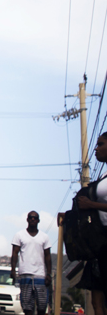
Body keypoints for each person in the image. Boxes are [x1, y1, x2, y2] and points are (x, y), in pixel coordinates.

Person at [77, 132, 107, 315]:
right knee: (97, 297)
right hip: (100, 241)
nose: (96, 148)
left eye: (101, 144)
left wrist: (91, 204)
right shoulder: (104, 174)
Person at [10, 211, 52, 315]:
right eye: (30, 217)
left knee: (42, 306)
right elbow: (15, 253)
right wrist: (13, 269)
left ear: (38, 220)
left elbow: (48, 256)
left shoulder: (44, 237)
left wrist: (49, 274)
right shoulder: (19, 235)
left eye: (35, 218)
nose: (33, 219)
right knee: (27, 306)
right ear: (27, 219)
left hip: (40, 275)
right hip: (25, 274)